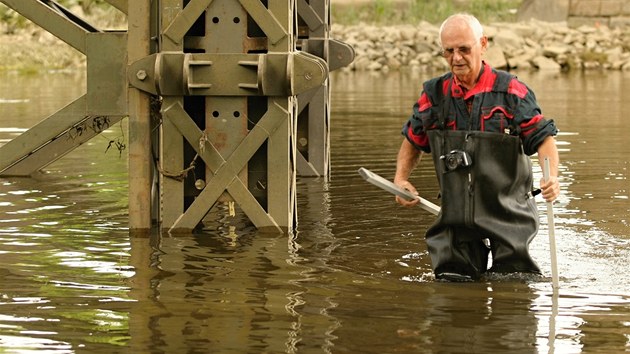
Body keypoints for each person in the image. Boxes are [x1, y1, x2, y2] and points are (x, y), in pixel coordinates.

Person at [394, 13, 560, 282]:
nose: (456, 58)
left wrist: (551, 177)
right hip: (456, 212)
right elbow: (413, 140)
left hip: (509, 212)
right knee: (451, 283)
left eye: (464, 49)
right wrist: (401, 179)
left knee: (514, 286)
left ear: (482, 45)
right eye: (449, 51)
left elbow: (543, 139)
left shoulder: (512, 92)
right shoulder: (433, 94)